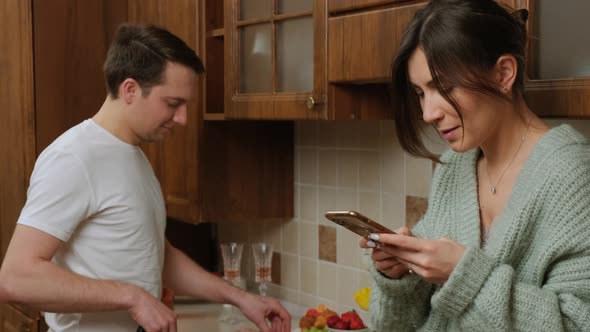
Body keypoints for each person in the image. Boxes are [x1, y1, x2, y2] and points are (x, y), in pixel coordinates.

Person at [0, 24, 290, 332]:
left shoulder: (132, 155)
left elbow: (157, 255)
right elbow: (16, 278)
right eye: (172, 103)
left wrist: (241, 298)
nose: (182, 119)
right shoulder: (74, 158)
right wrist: (132, 298)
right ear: (130, 90)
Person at [360, 0, 590, 331]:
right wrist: (398, 275)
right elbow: (395, 325)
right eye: (420, 93)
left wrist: (462, 275)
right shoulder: (455, 167)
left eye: (443, 87)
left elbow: (577, 324)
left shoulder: (572, 175)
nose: (428, 113)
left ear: (503, 74)